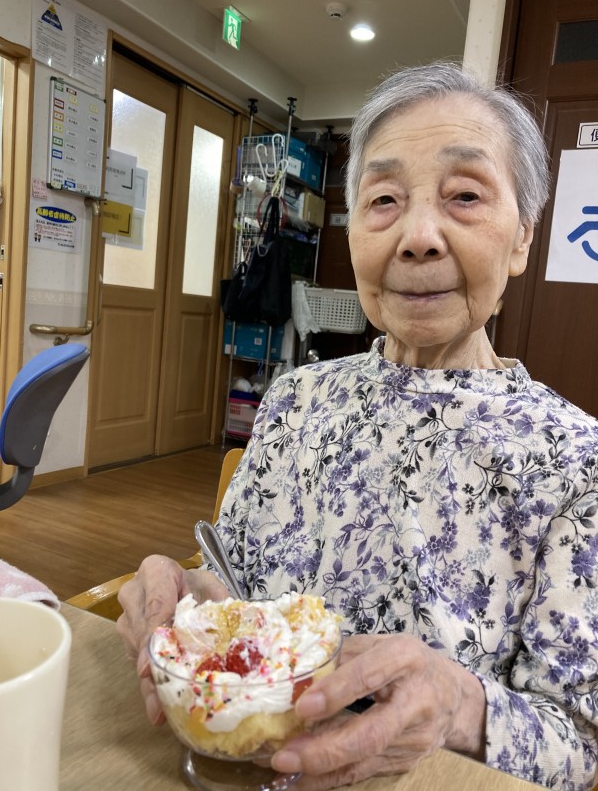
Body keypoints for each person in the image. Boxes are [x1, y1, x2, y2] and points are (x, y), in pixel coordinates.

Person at [117, 61, 598, 791]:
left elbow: (580, 742)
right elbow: (233, 588)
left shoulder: (575, 458)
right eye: (384, 200)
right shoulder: (295, 399)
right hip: (244, 764)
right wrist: (183, 598)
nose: (418, 237)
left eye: (465, 196)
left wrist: (458, 705)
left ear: (523, 239)